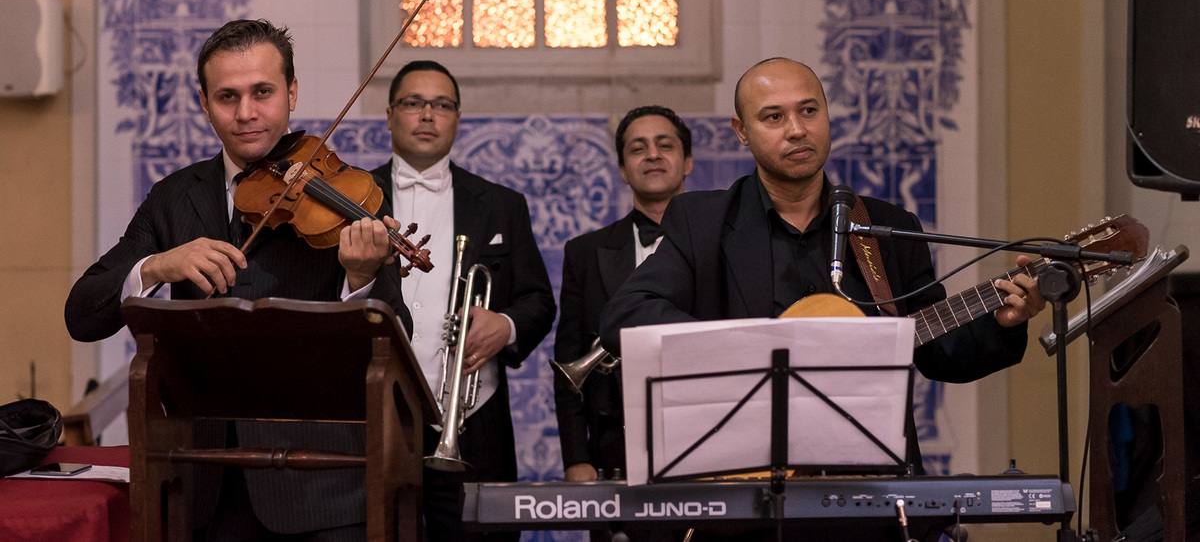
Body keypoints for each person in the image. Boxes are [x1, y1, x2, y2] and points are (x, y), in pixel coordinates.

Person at [599, 58, 1046, 481]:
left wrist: (1001, 323)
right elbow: (626, 315)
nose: (796, 130)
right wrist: (752, 350)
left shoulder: (887, 228)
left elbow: (937, 351)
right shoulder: (703, 222)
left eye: (809, 110)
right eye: (773, 117)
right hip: (745, 476)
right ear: (742, 132)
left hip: (868, 481)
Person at [65, 18, 411, 541]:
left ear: (291, 93)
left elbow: (397, 339)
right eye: (227, 96)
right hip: (203, 487)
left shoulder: (349, 197)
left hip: (324, 491)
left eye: (263, 93)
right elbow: (82, 314)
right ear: (204, 103)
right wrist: (156, 266)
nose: (246, 113)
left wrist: (360, 280)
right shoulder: (174, 198)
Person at [370, 60, 556, 542]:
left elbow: (538, 299)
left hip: (475, 420)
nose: (428, 115)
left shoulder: (501, 204)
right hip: (376, 418)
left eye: (442, 105)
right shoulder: (352, 199)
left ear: (457, 117)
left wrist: (507, 326)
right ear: (390, 115)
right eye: (414, 103)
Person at [555, 106, 692, 490]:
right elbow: (569, 359)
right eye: (637, 148)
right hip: (611, 446)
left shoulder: (723, 245)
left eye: (665, 145)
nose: (652, 155)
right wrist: (576, 458)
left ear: (688, 162)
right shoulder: (583, 253)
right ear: (621, 170)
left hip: (702, 436)